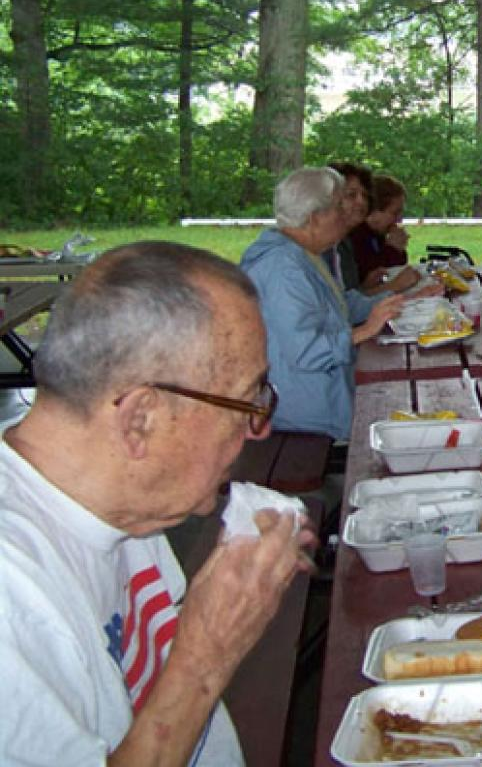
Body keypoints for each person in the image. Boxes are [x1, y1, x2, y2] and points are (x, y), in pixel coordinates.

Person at [0, 241, 315, 765]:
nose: (259, 432)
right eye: (246, 402)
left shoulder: (121, 505)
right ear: (140, 418)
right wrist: (207, 654)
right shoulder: (14, 602)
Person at [240, 167, 407, 440]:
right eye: (338, 209)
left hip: (325, 397)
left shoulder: (304, 255)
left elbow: (340, 307)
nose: (345, 217)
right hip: (303, 413)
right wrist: (363, 332)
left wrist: (399, 300)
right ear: (315, 218)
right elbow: (306, 352)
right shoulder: (283, 269)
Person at [329, 162, 420, 297]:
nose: (361, 202)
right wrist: (392, 250)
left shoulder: (372, 236)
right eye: (351, 195)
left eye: (365, 196)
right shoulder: (351, 239)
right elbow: (343, 306)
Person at [346, 174, 418, 290]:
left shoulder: (377, 234)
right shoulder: (355, 237)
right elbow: (372, 274)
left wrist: (398, 249)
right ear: (373, 212)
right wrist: (393, 249)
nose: (399, 219)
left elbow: (397, 268)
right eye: (394, 213)